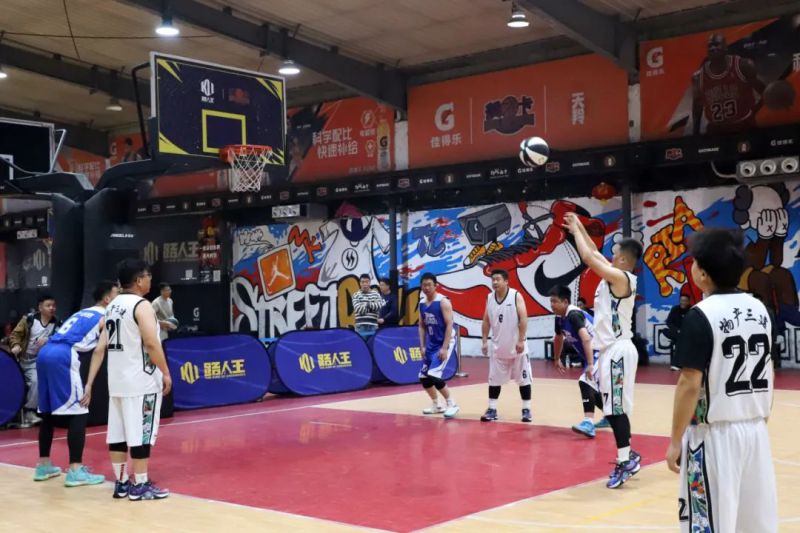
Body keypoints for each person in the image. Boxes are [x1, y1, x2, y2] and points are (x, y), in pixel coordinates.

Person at [667, 228, 777, 532]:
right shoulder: (761, 309)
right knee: (754, 524)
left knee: (707, 525)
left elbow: (689, 383)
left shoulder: (701, 315)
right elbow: (768, 368)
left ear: (702, 274)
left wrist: (675, 440)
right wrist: (760, 416)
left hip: (713, 436)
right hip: (756, 430)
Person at [564, 213, 643, 489]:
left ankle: (626, 460)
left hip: (617, 351)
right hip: (609, 351)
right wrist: (580, 226)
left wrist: (575, 231)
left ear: (623, 259)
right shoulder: (615, 274)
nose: (611, 254)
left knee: (615, 409)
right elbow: (593, 252)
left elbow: (588, 258)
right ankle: (627, 453)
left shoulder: (623, 278)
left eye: (615, 252)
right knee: (606, 402)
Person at [84, 259, 172, 501]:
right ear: (139, 280)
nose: (150, 279)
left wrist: (90, 383)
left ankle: (121, 483)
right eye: (148, 276)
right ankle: (141, 484)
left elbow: (99, 348)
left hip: (117, 381)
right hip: (141, 380)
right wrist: (165, 372)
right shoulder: (141, 305)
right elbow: (151, 343)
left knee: (118, 435)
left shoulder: (111, 306)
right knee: (142, 434)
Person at [34, 280, 118, 486]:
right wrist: (89, 384)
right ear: (108, 299)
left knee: (47, 412)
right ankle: (75, 470)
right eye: (117, 294)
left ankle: (43, 465)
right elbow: (99, 351)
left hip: (45, 353)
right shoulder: (108, 316)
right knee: (80, 411)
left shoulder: (83, 312)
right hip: (63, 355)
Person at [548, 285, 608, 437]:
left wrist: (590, 364)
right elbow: (558, 338)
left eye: (555, 301)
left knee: (585, 381)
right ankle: (610, 415)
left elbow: (586, 338)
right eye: (551, 301)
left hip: (602, 351)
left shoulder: (574, 315)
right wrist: (557, 358)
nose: (552, 305)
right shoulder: (559, 318)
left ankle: (588, 423)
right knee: (592, 387)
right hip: (594, 353)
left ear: (565, 302)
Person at [480, 269, 531, 422]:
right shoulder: (489, 297)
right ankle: (492, 409)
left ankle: (526, 409)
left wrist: (521, 340)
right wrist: (484, 341)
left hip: (517, 347)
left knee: (524, 379)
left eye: (498, 279)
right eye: (493, 279)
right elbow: (486, 320)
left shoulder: (515, 295)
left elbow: (524, 318)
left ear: (506, 281)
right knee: (494, 380)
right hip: (498, 347)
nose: (495, 282)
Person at [692, 33, 765, 136]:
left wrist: (754, 111)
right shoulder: (699, 76)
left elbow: (765, 92)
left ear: (726, 47)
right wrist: (695, 133)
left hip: (743, 125)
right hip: (716, 130)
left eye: (716, 44)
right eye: (710, 46)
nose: (712, 48)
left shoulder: (742, 65)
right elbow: (697, 106)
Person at [9, 294, 60, 427]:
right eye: (48, 305)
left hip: (38, 360)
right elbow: (15, 335)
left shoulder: (57, 323)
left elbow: (61, 339)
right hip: (21, 359)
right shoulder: (29, 319)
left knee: (36, 381)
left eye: (54, 306)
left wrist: (48, 340)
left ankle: (29, 411)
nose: (52, 308)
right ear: (40, 307)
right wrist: (16, 345)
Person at [418, 272, 459, 418]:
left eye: (429, 285)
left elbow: (449, 325)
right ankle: (437, 404)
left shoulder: (443, 302)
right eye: (424, 285)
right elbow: (421, 326)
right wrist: (422, 346)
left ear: (436, 286)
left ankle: (452, 404)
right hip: (432, 343)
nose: (426, 287)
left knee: (434, 375)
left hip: (445, 342)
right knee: (424, 377)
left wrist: (445, 348)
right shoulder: (421, 303)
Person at [665, 294, 691, 370]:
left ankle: (676, 364)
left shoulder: (692, 310)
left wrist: (684, 331)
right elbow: (669, 322)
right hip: (676, 332)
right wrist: (677, 330)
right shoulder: (675, 309)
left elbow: (694, 324)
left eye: (685, 301)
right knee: (666, 331)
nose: (683, 302)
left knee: (680, 339)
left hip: (687, 333)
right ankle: (678, 364)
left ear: (688, 302)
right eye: (682, 300)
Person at [352, 273, 383, 338]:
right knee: (361, 344)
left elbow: (379, 306)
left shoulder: (376, 294)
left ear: (369, 283)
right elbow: (359, 309)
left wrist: (366, 304)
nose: (365, 284)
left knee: (373, 344)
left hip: (373, 326)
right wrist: (372, 306)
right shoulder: (356, 295)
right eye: (363, 282)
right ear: (360, 283)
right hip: (360, 327)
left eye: (367, 282)